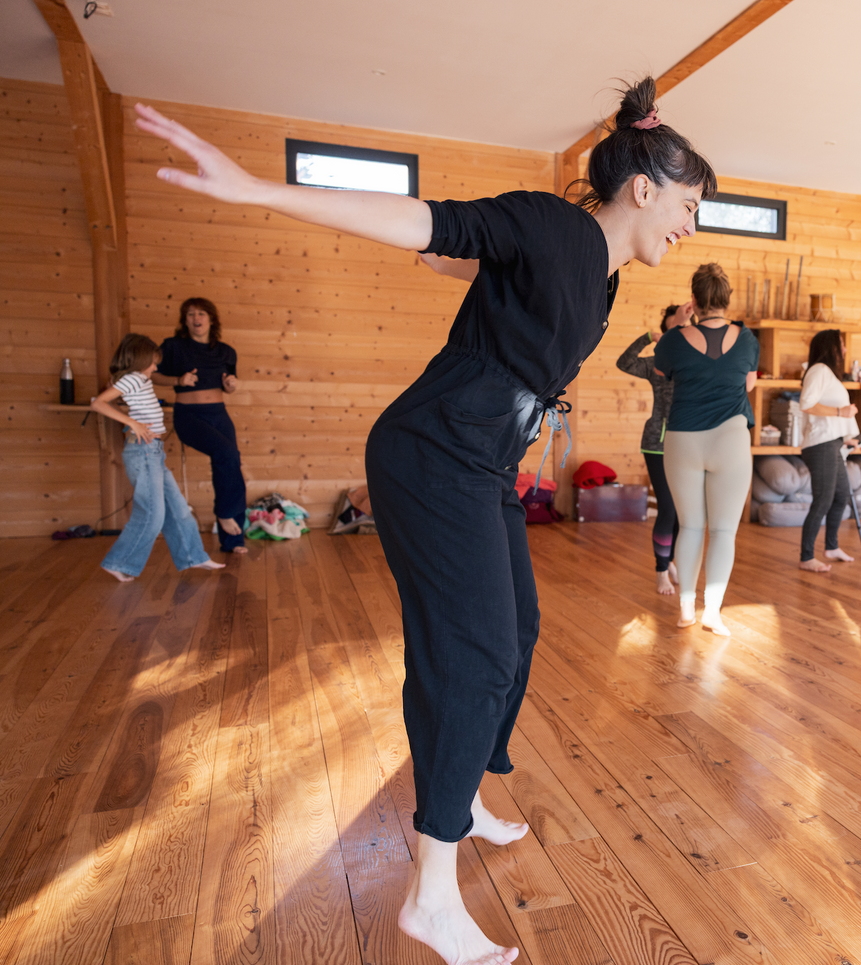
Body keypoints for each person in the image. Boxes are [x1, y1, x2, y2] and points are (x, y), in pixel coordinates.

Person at [135, 76, 716, 965]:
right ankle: (430, 896)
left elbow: (462, 267)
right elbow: (426, 222)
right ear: (643, 187)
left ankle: (468, 792)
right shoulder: (548, 221)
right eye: (687, 204)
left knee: (513, 633)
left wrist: (458, 268)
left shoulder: (596, 277)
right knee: (473, 654)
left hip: (481, 461)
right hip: (431, 451)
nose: (689, 226)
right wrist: (256, 189)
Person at [652, 263, 758, 635]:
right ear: (728, 301)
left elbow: (663, 370)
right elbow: (748, 384)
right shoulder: (747, 339)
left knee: (692, 527)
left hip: (683, 440)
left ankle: (685, 609)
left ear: (693, 300)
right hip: (730, 438)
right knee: (724, 531)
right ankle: (712, 612)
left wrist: (678, 326)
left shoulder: (674, 339)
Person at [91, 333, 226, 582]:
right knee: (152, 514)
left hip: (153, 452)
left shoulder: (140, 379)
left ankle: (194, 556)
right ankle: (117, 562)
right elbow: (98, 403)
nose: (155, 367)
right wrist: (132, 422)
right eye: (153, 362)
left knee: (178, 508)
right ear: (141, 359)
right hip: (143, 452)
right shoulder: (132, 378)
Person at [153, 298, 249, 553]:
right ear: (185, 321)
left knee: (231, 462)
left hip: (218, 413)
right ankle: (225, 514)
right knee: (226, 454)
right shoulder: (173, 347)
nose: (196, 318)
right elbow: (151, 373)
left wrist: (230, 387)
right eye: (190, 315)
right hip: (189, 415)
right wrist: (178, 379)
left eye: (201, 314)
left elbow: (228, 383)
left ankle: (233, 541)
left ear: (211, 319)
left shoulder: (226, 351)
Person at [618, 302, 692, 593]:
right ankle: (662, 570)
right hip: (657, 444)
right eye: (676, 324)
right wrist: (650, 337)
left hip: (686, 444)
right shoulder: (657, 363)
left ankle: (669, 559)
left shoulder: (693, 360)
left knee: (680, 511)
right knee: (668, 508)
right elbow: (624, 362)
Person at [798, 329, 860, 572]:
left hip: (832, 442)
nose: (844, 350)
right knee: (823, 499)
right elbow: (806, 403)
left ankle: (831, 546)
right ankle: (806, 557)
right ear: (831, 347)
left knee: (841, 494)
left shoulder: (829, 375)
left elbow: (833, 415)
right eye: (841, 345)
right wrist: (840, 413)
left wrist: (849, 437)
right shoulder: (819, 371)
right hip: (819, 445)